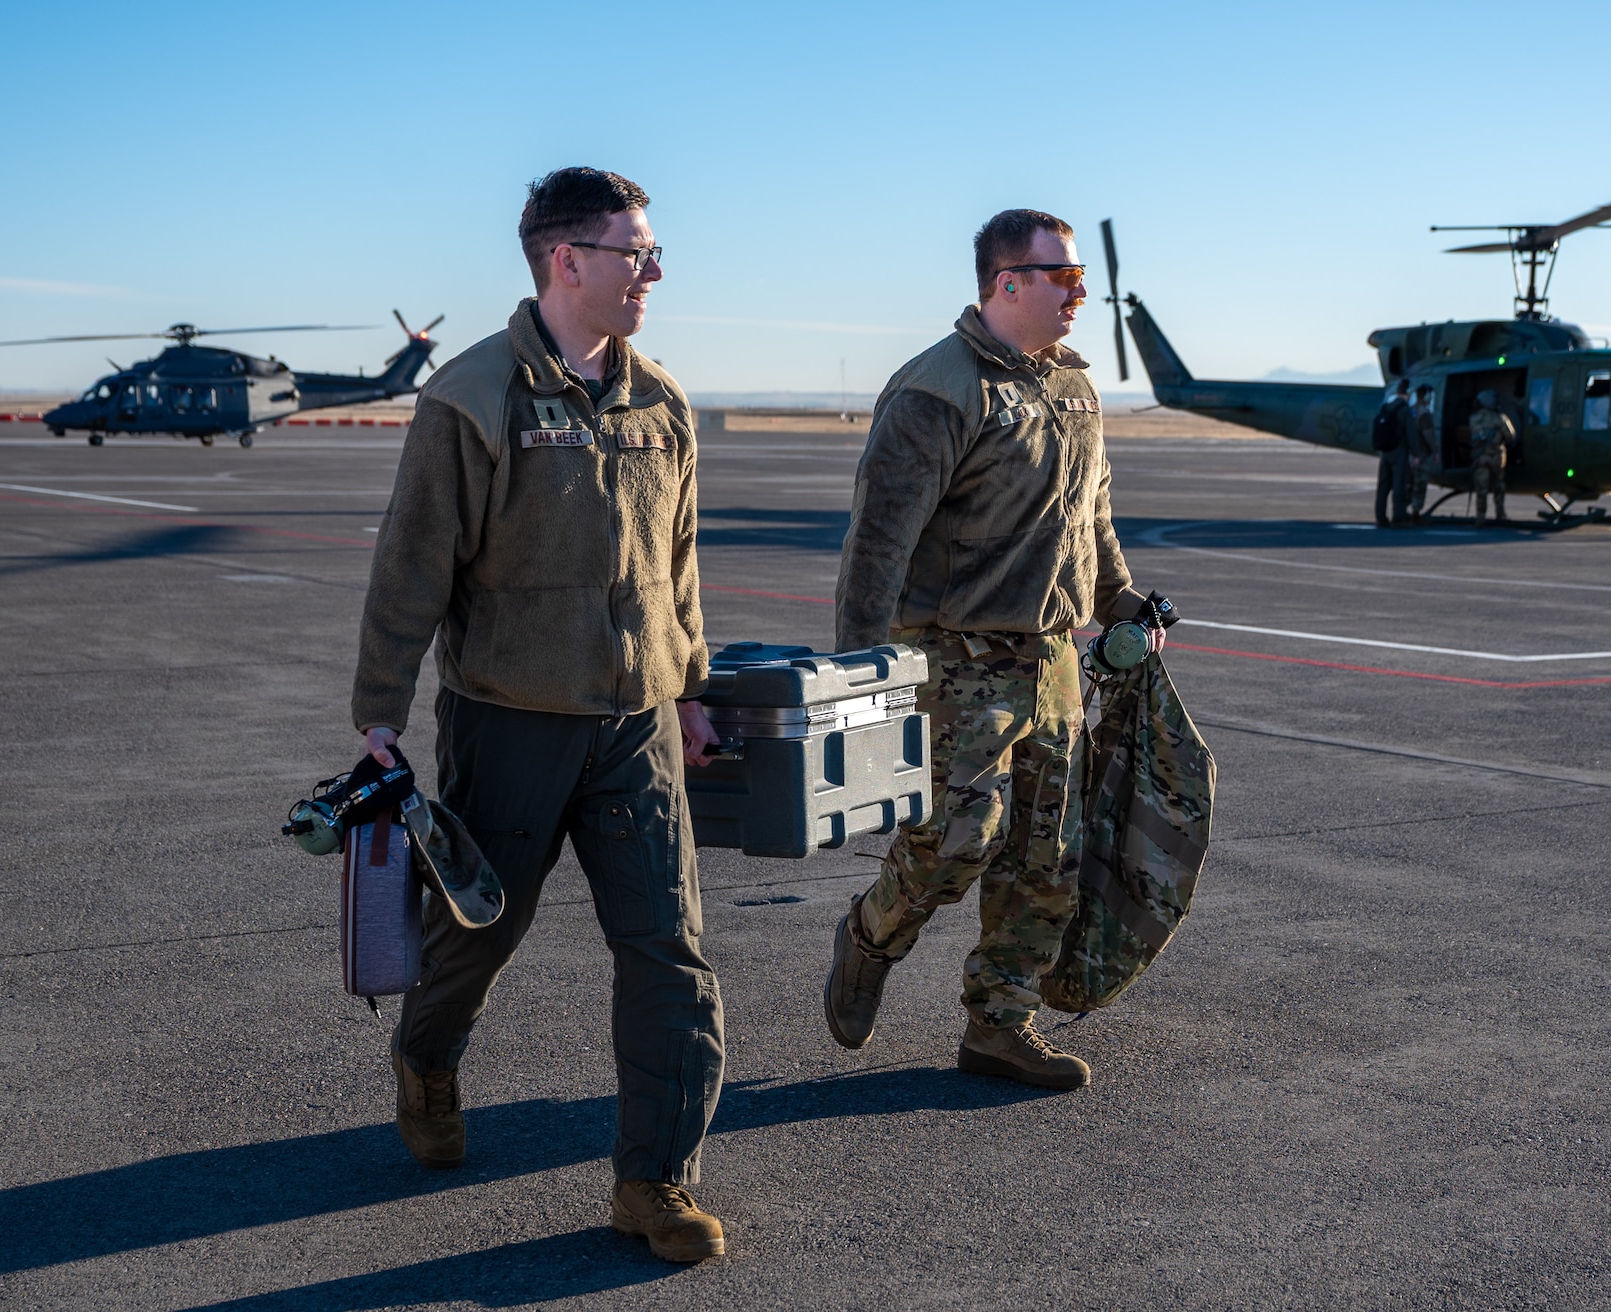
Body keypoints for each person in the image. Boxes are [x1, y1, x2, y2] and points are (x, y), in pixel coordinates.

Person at [350, 167, 729, 1264]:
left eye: (652, 253)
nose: (653, 272)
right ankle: (427, 1058)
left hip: (635, 725)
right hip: (508, 720)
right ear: (568, 261)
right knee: (482, 930)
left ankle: (654, 1181)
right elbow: (411, 564)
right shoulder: (471, 397)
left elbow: (676, 564)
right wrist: (379, 715)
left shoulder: (660, 400)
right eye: (635, 252)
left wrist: (690, 686)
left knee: (669, 953)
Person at [822, 208, 1162, 1091]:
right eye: (1064, 277)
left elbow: (1090, 516)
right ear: (1007, 282)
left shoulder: (1074, 387)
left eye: (1081, 277)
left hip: (1050, 660)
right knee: (956, 840)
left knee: (1047, 856)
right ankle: (869, 939)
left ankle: (1000, 1026)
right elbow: (877, 546)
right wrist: (857, 680)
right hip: (952, 658)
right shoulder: (939, 390)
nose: (1081, 294)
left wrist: (1120, 599)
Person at [1470, 388, 1514, 524]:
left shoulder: (1474, 418)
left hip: (1481, 458)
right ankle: (1500, 514)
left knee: (1481, 489)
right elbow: (1511, 436)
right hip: (1497, 458)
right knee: (1499, 487)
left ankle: (1480, 517)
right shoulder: (1500, 418)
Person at [1372, 378, 1412, 527]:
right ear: (1407, 393)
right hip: (1399, 453)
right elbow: (1411, 434)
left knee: (1383, 486)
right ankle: (1398, 518)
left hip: (1385, 453)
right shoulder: (1404, 410)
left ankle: (1380, 517)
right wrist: (1417, 454)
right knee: (1399, 485)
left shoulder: (1387, 407)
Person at [1407, 382, 1438, 521]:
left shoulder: (1410, 411)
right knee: (1420, 483)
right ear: (1426, 396)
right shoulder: (1424, 414)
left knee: (1409, 483)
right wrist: (1436, 451)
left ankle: (1404, 510)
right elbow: (1428, 435)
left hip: (1409, 454)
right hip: (1421, 454)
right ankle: (1416, 511)